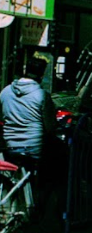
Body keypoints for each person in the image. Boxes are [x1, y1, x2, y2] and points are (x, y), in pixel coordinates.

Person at [0, 55, 55, 194]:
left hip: (10, 145)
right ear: (41, 74)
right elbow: (50, 127)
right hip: (33, 147)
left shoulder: (5, 91)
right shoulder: (42, 95)